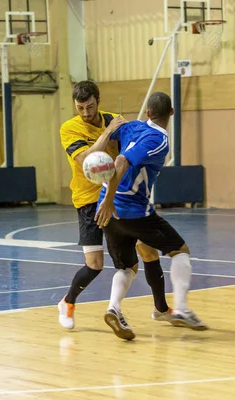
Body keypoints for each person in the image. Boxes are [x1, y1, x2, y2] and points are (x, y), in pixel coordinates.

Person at [58, 81, 174, 329]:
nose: (86, 113)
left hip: (119, 198)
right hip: (89, 201)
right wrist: (106, 132)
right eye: (80, 108)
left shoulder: (114, 120)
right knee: (95, 265)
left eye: (90, 106)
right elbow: (86, 160)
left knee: (148, 252)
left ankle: (161, 308)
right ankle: (67, 302)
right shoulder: (69, 128)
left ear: (98, 101)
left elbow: (135, 146)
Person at [95, 91, 208, 340]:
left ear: (147, 112)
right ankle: (182, 310)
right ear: (171, 113)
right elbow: (122, 160)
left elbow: (110, 130)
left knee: (128, 265)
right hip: (130, 209)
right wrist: (112, 199)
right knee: (180, 250)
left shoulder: (131, 127)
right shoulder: (159, 140)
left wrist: (106, 199)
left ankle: (114, 308)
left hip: (106, 208)